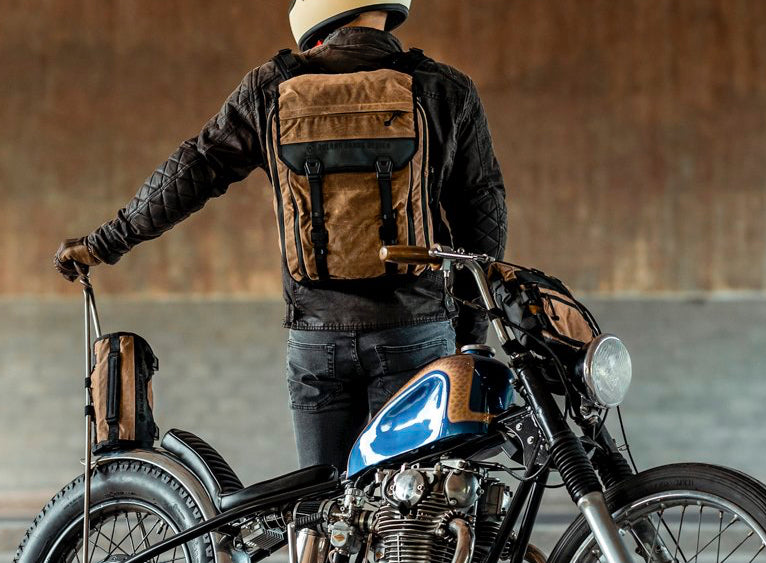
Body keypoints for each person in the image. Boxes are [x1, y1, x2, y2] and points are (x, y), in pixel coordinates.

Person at [53, 0, 507, 471]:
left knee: (319, 507)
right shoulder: (444, 89)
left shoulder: (271, 86)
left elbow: (193, 170)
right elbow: (483, 217)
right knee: (418, 512)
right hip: (416, 329)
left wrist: (106, 241)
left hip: (316, 340)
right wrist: (470, 334)